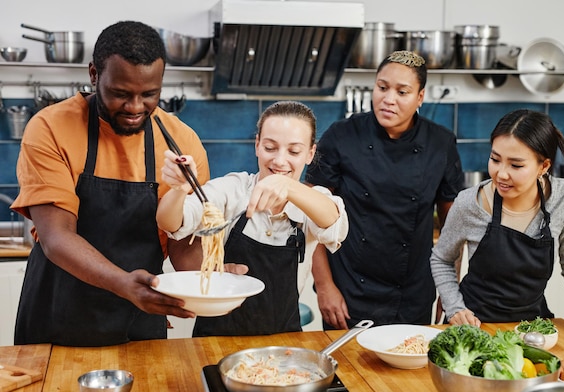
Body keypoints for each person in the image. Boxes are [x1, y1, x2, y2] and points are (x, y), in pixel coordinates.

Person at [11, 21, 209, 347]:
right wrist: (123, 284)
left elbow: (181, 242)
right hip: (57, 312)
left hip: (140, 313)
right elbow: (57, 237)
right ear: (94, 74)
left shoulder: (182, 143)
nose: (134, 108)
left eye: (149, 95)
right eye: (120, 94)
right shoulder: (50, 128)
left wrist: (213, 275)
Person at [430, 109, 564, 350]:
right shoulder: (470, 203)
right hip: (475, 328)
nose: (501, 173)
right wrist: (456, 308)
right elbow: (441, 259)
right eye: (495, 159)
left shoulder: (562, 197)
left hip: (533, 330)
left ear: (544, 165)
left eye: (516, 164)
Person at [156, 100, 349, 336]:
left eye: (294, 151)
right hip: (216, 339)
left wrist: (288, 187)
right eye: (270, 147)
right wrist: (178, 189)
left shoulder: (312, 200)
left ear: (310, 153)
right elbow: (170, 222)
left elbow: (335, 224)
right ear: (257, 145)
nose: (279, 161)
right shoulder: (233, 189)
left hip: (283, 343)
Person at [305, 50, 465, 330]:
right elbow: (311, 215)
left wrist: (450, 290)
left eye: (402, 92)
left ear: (420, 97)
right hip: (349, 290)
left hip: (413, 291)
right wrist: (324, 285)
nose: (388, 99)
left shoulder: (441, 143)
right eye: (382, 87)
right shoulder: (341, 136)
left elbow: (453, 226)